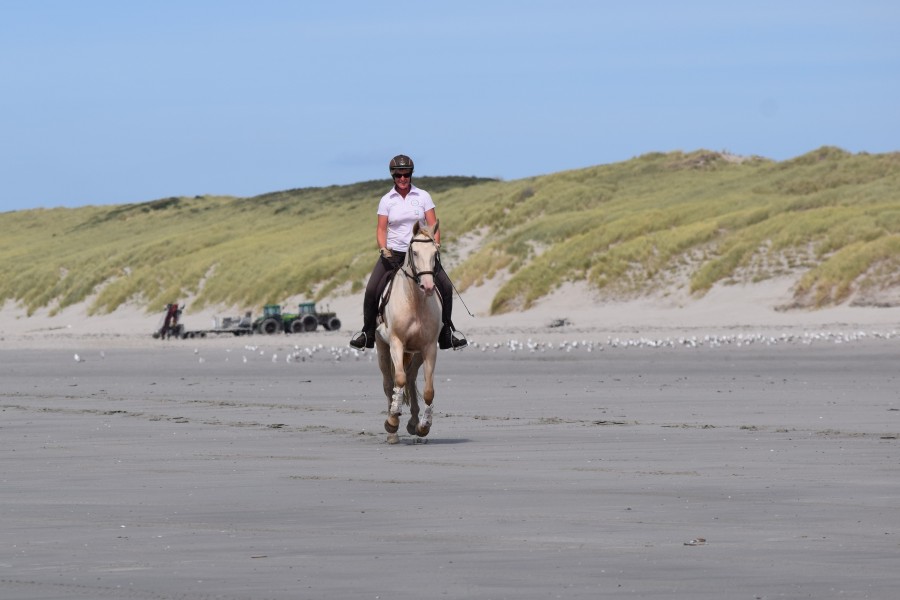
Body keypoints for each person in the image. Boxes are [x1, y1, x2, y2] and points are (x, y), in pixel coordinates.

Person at [349, 154, 467, 351]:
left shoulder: (423, 196)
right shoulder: (387, 200)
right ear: (392, 176)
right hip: (394, 254)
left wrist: (435, 245)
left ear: (411, 174)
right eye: (398, 175)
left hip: (421, 255)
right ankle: (367, 333)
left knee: (446, 287)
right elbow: (381, 228)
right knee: (371, 290)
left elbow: (432, 225)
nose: (402, 179)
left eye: (406, 175)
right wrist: (383, 248)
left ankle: (447, 333)